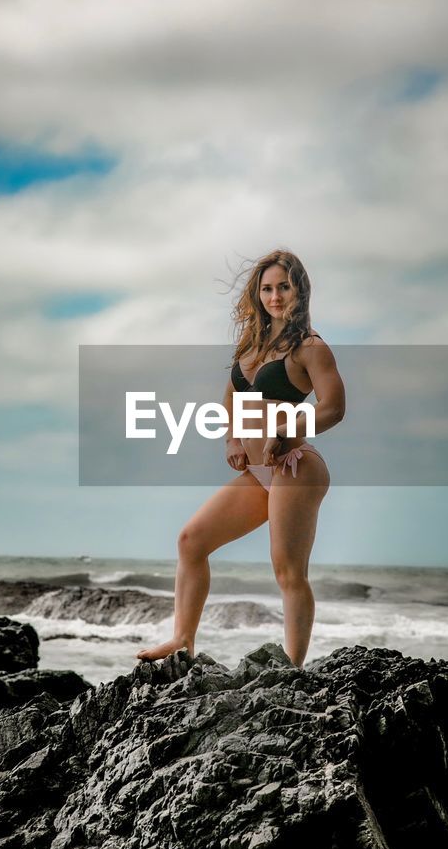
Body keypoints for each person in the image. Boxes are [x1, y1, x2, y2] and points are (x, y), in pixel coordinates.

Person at [136, 249, 346, 669]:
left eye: (283, 287)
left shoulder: (310, 347)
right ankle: (182, 640)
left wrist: (287, 433)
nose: (275, 296)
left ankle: (292, 668)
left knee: (288, 571)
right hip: (257, 471)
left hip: (295, 466)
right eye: (267, 288)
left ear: (299, 290)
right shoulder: (251, 345)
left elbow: (333, 407)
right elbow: (231, 399)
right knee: (191, 541)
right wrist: (232, 439)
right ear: (257, 294)